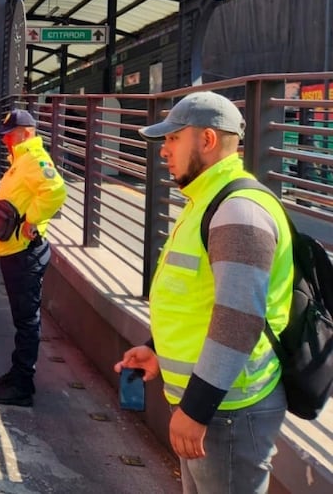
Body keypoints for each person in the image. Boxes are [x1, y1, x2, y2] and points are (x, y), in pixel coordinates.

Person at [114, 91, 292, 494]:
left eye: (174, 138)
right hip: (213, 406)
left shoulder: (238, 211)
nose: (164, 150)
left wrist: (196, 408)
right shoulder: (207, 201)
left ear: (208, 140)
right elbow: (198, 299)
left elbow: (238, 321)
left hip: (226, 411)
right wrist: (157, 349)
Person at [0, 108, 67, 407]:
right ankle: (16, 374)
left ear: (26, 134)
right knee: (22, 319)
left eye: (10, 135)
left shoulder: (33, 159)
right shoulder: (20, 161)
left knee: (26, 321)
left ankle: (22, 386)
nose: (5, 141)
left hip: (24, 253)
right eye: (4, 136)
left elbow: (55, 190)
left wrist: (32, 220)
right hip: (15, 252)